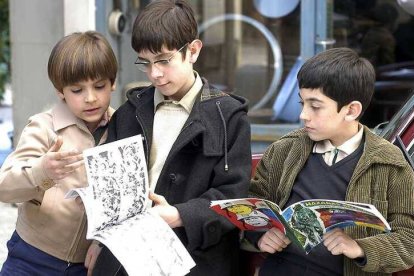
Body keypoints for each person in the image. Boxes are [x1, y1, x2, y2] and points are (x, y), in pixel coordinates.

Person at [92, 0, 251, 275]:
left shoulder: (228, 117)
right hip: (125, 255)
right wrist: (98, 241)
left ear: (193, 51)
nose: (155, 74)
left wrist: (179, 215)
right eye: (146, 63)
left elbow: (233, 199)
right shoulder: (130, 112)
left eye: (164, 60)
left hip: (194, 258)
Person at [248, 47, 414, 276]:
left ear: (351, 110)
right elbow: (256, 207)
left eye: (315, 106)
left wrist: (360, 248)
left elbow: (408, 239)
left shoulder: (390, 164)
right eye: (302, 103)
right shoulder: (284, 151)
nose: (303, 115)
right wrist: (261, 236)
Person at [0, 31, 118, 275]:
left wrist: (101, 243)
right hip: (31, 256)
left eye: (99, 86)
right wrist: (41, 171)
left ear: (113, 83)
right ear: (60, 91)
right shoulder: (44, 127)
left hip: (86, 264)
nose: (90, 98)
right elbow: (4, 187)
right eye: (77, 90)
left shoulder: (122, 128)